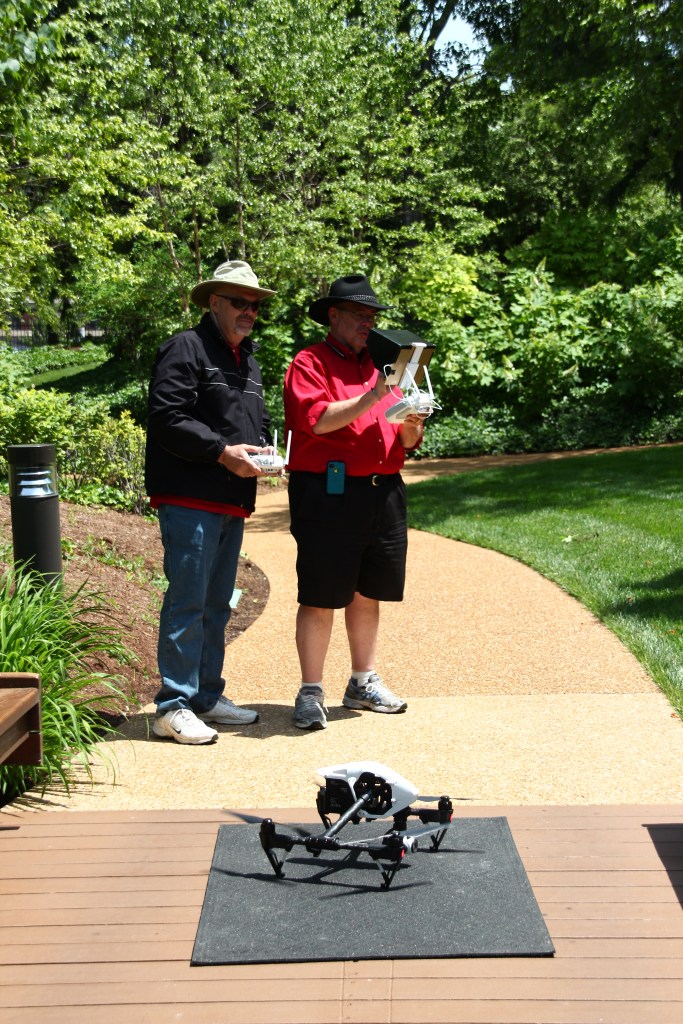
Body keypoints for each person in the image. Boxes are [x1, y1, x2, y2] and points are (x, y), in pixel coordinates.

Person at [283, 273, 425, 730]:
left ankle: (362, 682)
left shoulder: (384, 368)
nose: (368, 323)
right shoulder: (310, 362)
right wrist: (375, 394)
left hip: (384, 491)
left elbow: (407, 440)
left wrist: (412, 421)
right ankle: (310, 691)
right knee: (321, 594)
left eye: (372, 316)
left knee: (368, 591)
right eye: (359, 314)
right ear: (333, 315)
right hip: (330, 492)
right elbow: (317, 421)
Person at [146, 259, 276, 744]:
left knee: (217, 604)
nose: (249, 311)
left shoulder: (248, 360)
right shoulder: (186, 346)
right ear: (214, 302)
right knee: (189, 600)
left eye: (255, 305)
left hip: (230, 500)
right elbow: (167, 416)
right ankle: (172, 706)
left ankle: (203, 697)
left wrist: (264, 453)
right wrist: (223, 453)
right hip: (189, 496)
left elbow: (255, 422)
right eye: (240, 302)